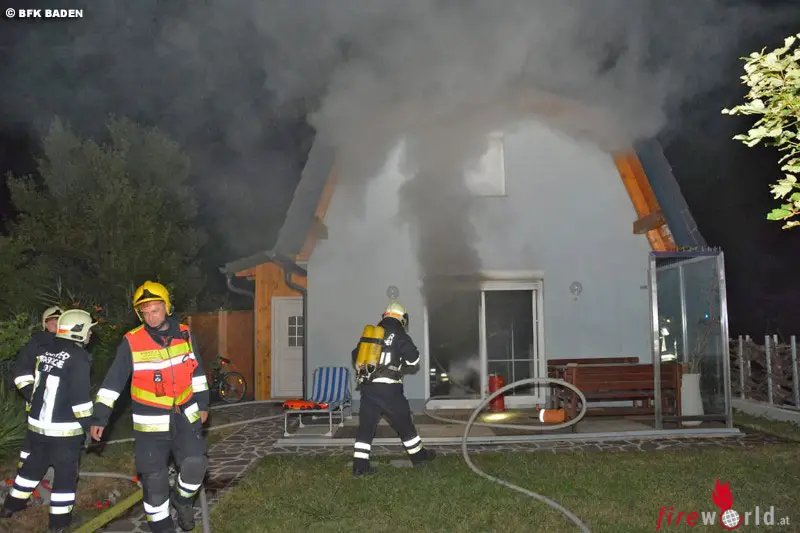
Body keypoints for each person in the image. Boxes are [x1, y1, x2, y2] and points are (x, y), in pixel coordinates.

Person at [89, 281, 210, 533]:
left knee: (196, 464)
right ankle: (162, 527)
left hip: (185, 416)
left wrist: (203, 404)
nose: (151, 317)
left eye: (155, 310)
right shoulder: (132, 341)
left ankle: (182, 500)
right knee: (154, 484)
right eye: (145, 312)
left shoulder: (185, 334)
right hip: (150, 424)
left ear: (167, 307)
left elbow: (197, 372)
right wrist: (100, 417)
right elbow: (113, 382)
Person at [1, 309, 96, 533]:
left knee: (31, 468)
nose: (91, 334)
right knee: (65, 478)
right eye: (88, 330)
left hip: (38, 427)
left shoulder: (47, 350)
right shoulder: (79, 357)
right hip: (64, 432)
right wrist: (90, 427)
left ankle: (10, 506)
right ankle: (59, 524)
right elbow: (80, 401)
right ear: (78, 331)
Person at [351, 301, 436, 478]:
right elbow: (413, 359)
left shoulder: (371, 335)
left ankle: (360, 467)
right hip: (390, 390)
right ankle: (419, 457)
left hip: (368, 389)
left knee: (366, 428)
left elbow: (355, 355)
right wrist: (401, 363)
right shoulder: (399, 335)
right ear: (402, 318)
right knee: (405, 424)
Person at [11, 306, 64, 470]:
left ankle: (52, 473)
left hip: (61, 405)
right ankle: (25, 472)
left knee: (58, 443)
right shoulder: (35, 345)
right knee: (33, 442)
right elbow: (21, 374)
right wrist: (33, 396)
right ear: (45, 323)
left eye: (59, 320)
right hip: (37, 405)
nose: (56, 323)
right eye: (52, 320)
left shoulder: (68, 345)